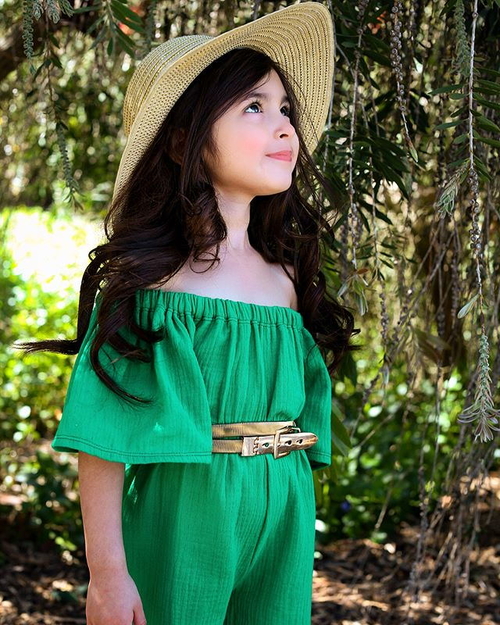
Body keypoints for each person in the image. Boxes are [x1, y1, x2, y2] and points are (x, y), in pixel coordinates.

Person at [19, 3, 359, 624]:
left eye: (285, 108)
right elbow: (102, 438)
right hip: (184, 511)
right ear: (184, 142)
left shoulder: (286, 283)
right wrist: (108, 574)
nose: (285, 127)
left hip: (283, 512)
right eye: (253, 107)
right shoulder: (154, 286)